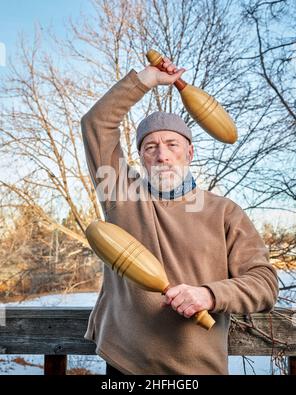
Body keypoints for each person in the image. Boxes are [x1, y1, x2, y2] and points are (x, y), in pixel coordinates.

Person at [81, 57, 279, 375]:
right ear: (141, 158)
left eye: (172, 144)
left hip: (200, 369)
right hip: (126, 367)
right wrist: (146, 79)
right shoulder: (122, 195)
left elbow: (264, 284)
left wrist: (209, 295)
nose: (162, 154)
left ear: (189, 153)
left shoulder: (224, 212)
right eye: (150, 147)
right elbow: (96, 124)